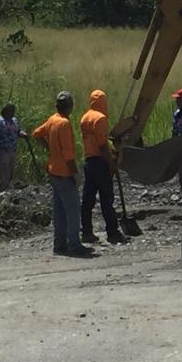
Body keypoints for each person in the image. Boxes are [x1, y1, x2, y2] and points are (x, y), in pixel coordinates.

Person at [32, 91, 94, 258]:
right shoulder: (64, 124)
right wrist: (75, 173)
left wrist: (49, 148)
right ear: (69, 107)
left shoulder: (52, 120)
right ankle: (74, 245)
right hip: (64, 173)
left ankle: (59, 245)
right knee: (73, 210)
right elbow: (68, 154)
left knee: (59, 210)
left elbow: (36, 134)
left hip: (53, 171)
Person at [79, 89, 128, 245]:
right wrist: (112, 164)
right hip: (100, 162)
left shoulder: (85, 117)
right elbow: (102, 146)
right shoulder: (100, 118)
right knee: (107, 199)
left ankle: (86, 232)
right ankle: (112, 233)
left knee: (88, 199)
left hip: (89, 161)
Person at [0, 103, 28, 191]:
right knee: (3, 173)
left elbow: (17, 131)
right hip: (1, 150)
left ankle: (7, 190)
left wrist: (22, 134)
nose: (12, 112)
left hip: (12, 149)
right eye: (10, 111)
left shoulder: (14, 121)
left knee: (10, 172)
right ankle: (2, 191)